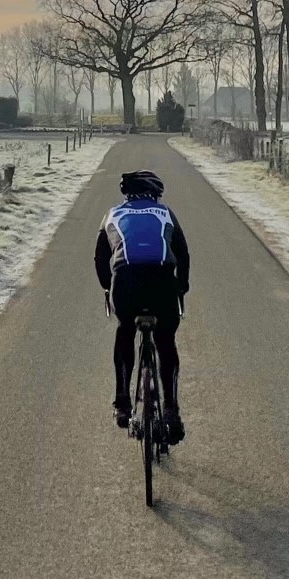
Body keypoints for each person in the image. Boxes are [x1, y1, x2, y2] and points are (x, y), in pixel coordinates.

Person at [95, 169, 191, 444]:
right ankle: (171, 410)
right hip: (162, 281)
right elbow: (183, 254)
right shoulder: (165, 213)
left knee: (125, 330)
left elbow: (100, 257)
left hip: (125, 282)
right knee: (166, 341)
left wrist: (106, 286)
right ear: (155, 194)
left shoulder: (112, 214)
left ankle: (122, 403)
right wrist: (181, 287)